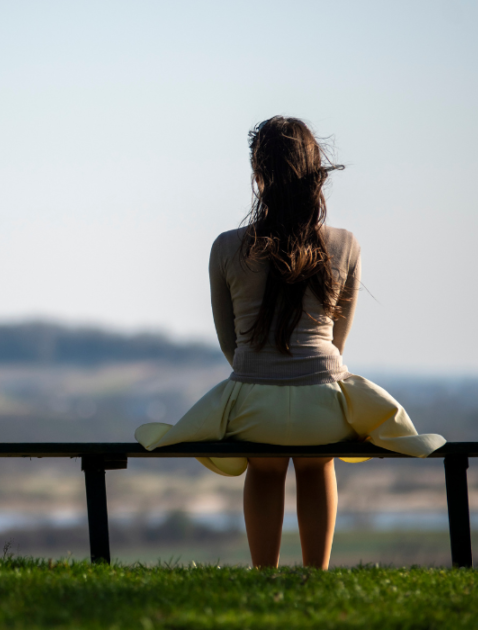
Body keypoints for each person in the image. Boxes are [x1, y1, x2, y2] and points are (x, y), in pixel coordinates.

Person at [135, 116, 445, 569]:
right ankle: (315, 577)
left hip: (251, 405)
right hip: (323, 406)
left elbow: (231, 344)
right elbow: (338, 345)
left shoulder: (226, 247)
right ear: (315, 171)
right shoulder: (346, 244)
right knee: (318, 464)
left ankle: (264, 575)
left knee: (264, 467)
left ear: (258, 174)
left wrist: (265, 374)